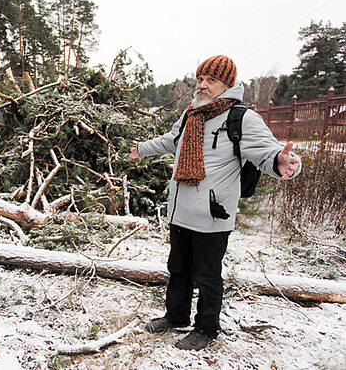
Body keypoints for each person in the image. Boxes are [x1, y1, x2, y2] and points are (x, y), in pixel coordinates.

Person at [129, 55, 301, 351]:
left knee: (207, 276)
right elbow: (171, 141)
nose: (203, 85)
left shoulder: (241, 118)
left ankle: (206, 329)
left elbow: (267, 151)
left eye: (211, 80)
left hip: (212, 215)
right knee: (178, 268)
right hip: (181, 211)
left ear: (227, 84)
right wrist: (141, 149)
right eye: (200, 79)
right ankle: (176, 315)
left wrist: (284, 162)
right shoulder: (191, 115)